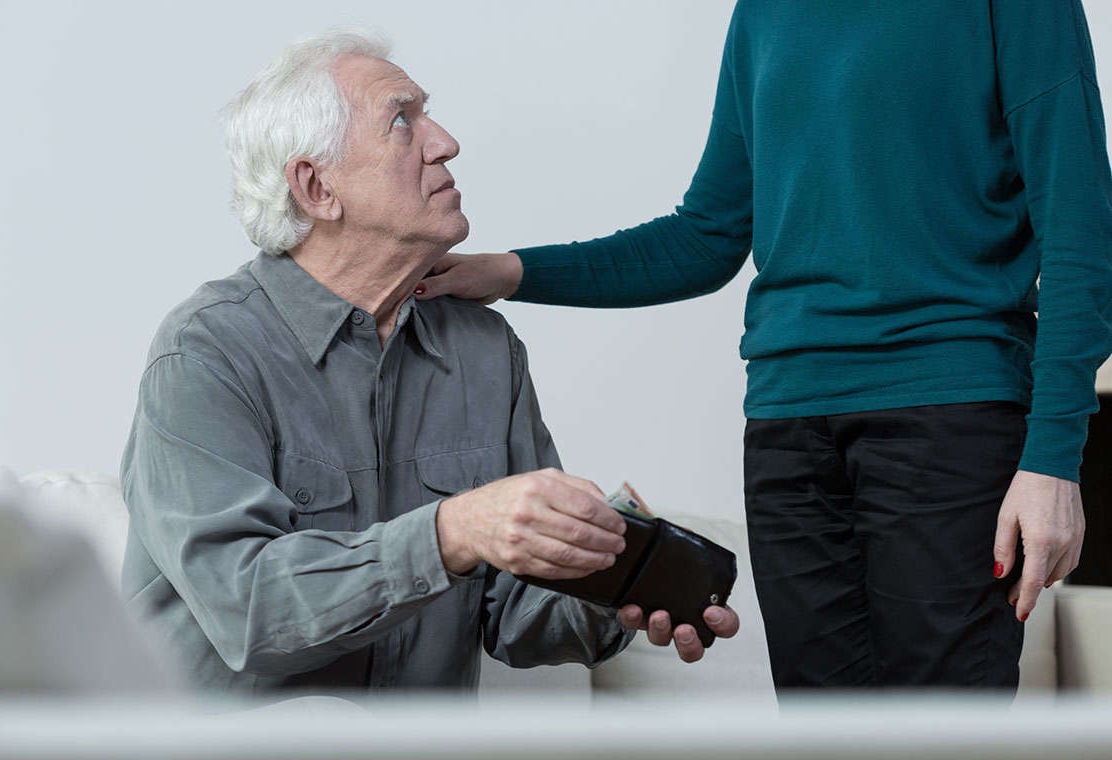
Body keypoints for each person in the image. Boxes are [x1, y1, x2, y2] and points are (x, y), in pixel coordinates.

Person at [416, 0, 1112, 691]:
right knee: (820, 734)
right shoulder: (764, 13)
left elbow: (1082, 240)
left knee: (944, 733)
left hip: (950, 417)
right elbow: (707, 236)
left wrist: (1054, 459)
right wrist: (511, 271)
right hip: (788, 433)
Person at [119, 31, 738, 694]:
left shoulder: (485, 351)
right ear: (317, 186)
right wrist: (455, 531)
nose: (444, 141)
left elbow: (516, 616)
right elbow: (244, 612)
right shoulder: (208, 351)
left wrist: (609, 584)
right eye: (402, 121)